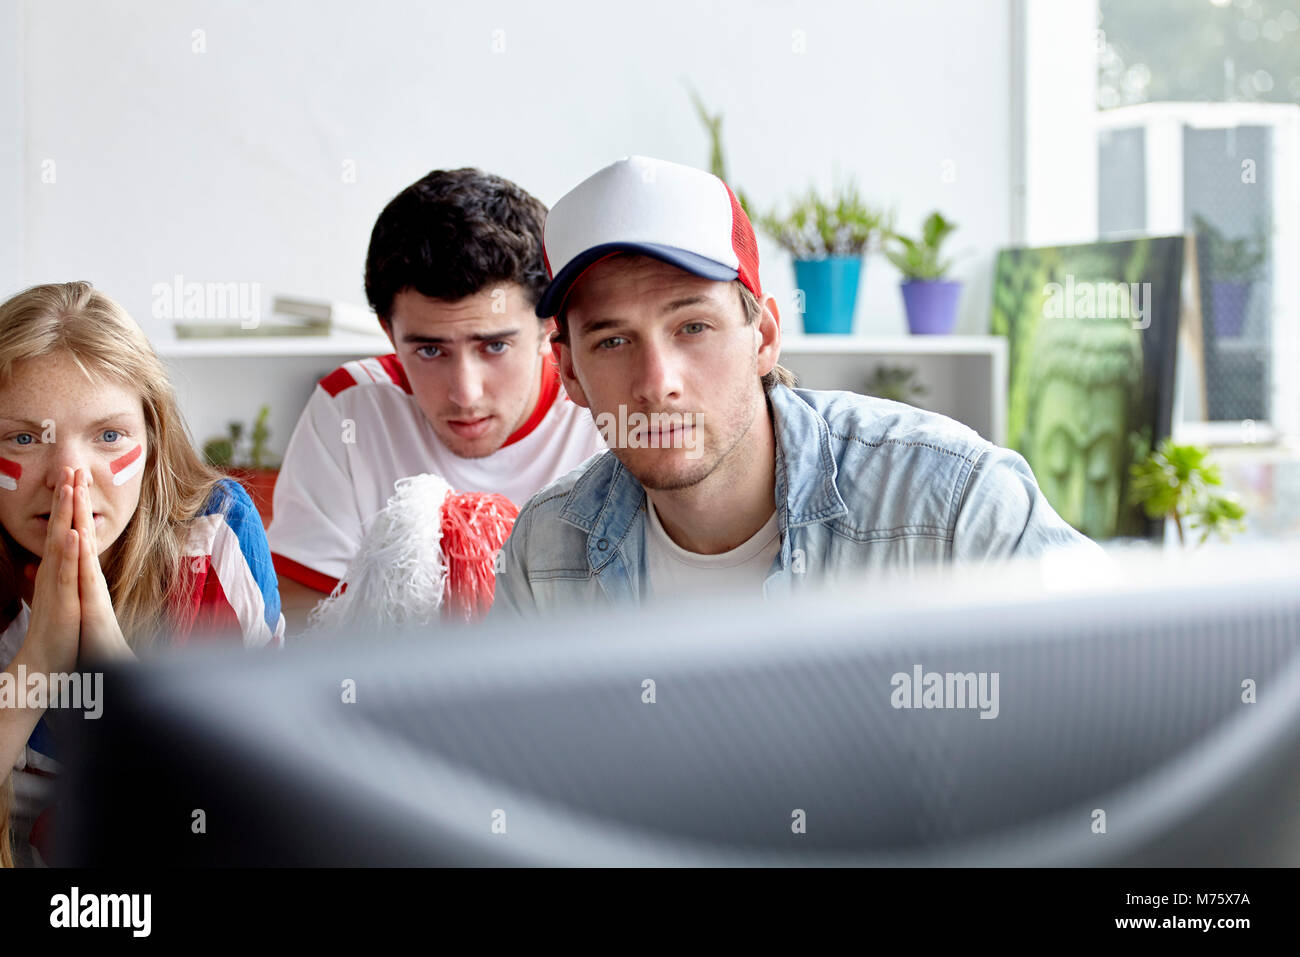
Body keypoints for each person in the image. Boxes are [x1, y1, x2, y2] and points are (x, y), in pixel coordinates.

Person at [493, 156, 1101, 616]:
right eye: (613, 341)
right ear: (569, 371)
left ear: (764, 338)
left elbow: (1127, 685)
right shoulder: (548, 552)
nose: (658, 384)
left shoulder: (950, 501)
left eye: (694, 327)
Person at [0, 281, 284, 867]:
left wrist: (111, 661)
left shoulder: (216, 532)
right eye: (25, 438)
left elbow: (246, 804)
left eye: (108, 436)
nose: (69, 477)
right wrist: (39, 659)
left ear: (152, 441)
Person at [268, 169, 604, 629]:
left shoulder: (601, 408)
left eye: (494, 346)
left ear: (548, 326)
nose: (465, 393)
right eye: (429, 350)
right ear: (388, 332)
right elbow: (304, 620)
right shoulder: (350, 406)